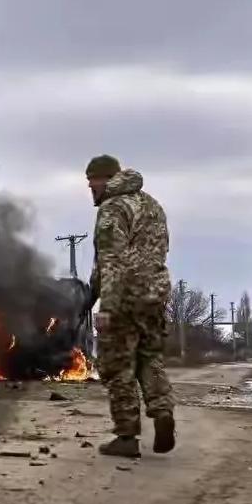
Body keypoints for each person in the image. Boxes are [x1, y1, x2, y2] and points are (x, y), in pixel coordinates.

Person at [86, 154, 176, 458]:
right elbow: (158, 250)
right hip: (154, 295)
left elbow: (111, 261)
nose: (90, 188)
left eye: (92, 181)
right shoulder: (151, 205)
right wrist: (90, 292)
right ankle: (162, 411)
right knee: (150, 357)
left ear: (107, 179)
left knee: (118, 367)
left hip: (124, 299)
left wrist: (106, 306)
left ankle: (127, 437)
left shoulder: (112, 209)